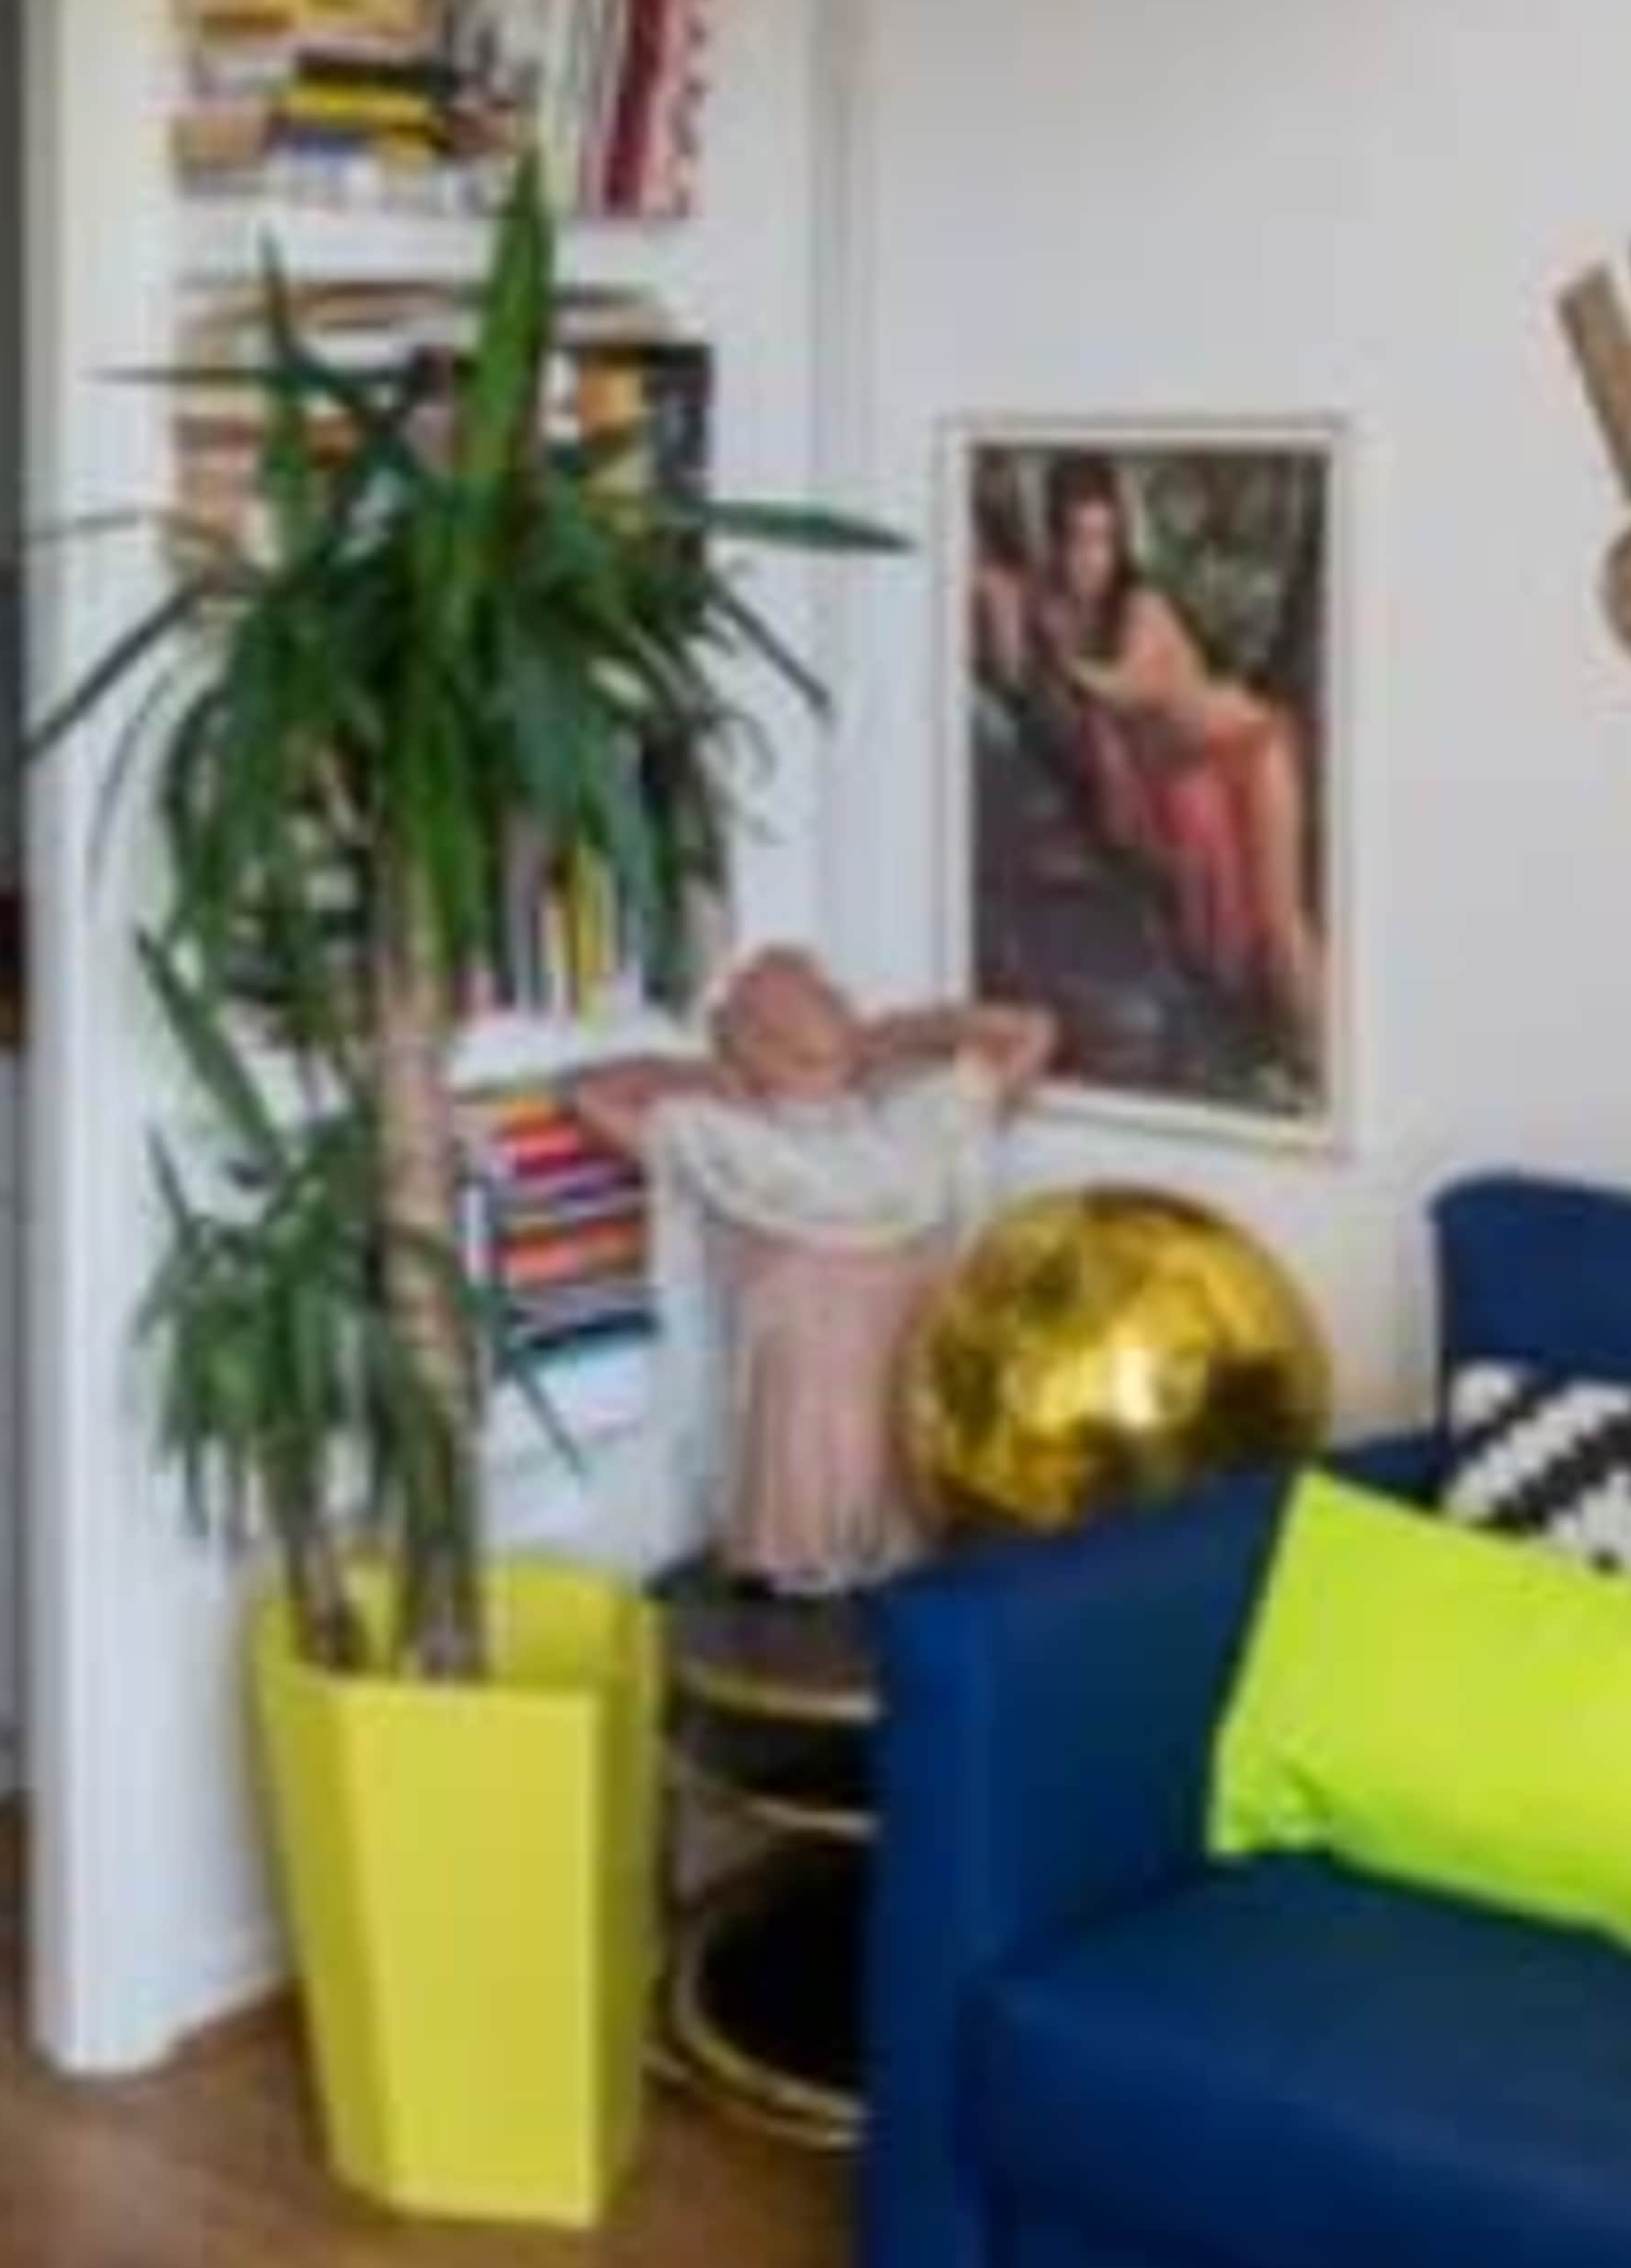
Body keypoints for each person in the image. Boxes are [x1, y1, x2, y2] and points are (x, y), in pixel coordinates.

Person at [568, 946, 1054, 1594]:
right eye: (809, 988)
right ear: (762, 1028)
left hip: (901, 1399)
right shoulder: (729, 1142)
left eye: (829, 985)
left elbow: (1031, 1033)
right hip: (798, 1406)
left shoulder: (909, 1122)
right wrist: (712, 1072)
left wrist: (895, 1035)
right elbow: (589, 1096)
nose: (833, 994)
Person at [1030, 454, 1324, 1076]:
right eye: (1079, 539)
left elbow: (1131, 688)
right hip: (1195, 779)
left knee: (1281, 930)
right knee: (1233, 951)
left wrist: (1066, 664)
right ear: (1054, 540)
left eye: (1105, 539)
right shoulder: (1056, 613)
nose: (1092, 558)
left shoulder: (1143, 606)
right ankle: (1284, 1059)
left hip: (1250, 751)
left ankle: (1324, 1061)